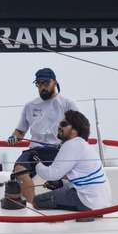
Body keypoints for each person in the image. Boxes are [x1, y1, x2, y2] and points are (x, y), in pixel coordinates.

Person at [8, 68, 79, 204]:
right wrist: (13, 137)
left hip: (60, 150)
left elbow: (79, 128)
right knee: (19, 171)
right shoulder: (29, 106)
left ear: (55, 82)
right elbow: (20, 132)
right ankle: (33, 208)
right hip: (35, 151)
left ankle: (73, 204)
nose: (42, 87)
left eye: (46, 83)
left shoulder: (68, 103)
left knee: (70, 174)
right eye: (39, 84)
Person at [33, 110, 111, 212]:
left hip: (87, 202)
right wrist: (60, 183)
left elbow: (51, 174)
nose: (59, 127)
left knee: (37, 202)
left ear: (75, 130)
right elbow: (81, 176)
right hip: (102, 203)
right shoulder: (84, 145)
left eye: (64, 124)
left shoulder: (71, 144)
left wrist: (37, 162)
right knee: (62, 192)